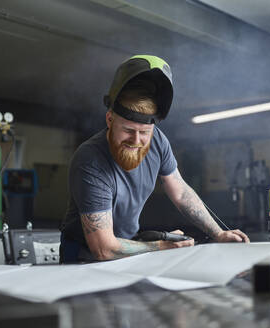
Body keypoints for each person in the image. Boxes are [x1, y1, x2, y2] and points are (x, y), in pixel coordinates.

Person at [60, 55, 249, 263]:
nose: (137, 140)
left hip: (126, 249)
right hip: (82, 259)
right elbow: (103, 249)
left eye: (145, 132)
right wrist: (162, 246)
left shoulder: (157, 141)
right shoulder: (90, 161)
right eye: (128, 130)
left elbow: (181, 191)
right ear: (109, 119)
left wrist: (218, 233)